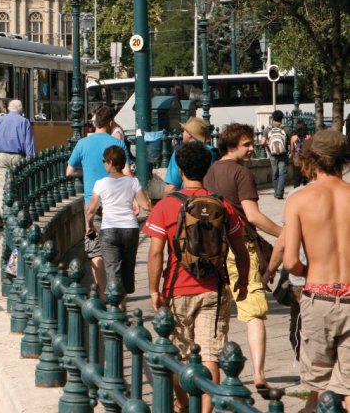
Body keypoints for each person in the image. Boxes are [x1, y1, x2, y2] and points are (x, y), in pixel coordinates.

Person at [145, 141, 250, 413]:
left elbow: (156, 253)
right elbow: (240, 249)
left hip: (176, 290)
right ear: (207, 170)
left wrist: (154, 290)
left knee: (179, 355)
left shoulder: (166, 206)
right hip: (213, 290)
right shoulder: (221, 204)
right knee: (212, 355)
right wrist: (243, 280)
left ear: (180, 171)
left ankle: (182, 405)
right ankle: (205, 411)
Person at [204, 123, 282, 392]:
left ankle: (217, 374)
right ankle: (259, 374)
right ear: (230, 146)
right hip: (240, 248)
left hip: (213, 249)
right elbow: (253, 217)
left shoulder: (209, 171)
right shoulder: (241, 173)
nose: (252, 149)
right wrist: (284, 233)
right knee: (254, 312)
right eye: (246, 144)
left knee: (219, 314)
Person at [283, 130, 350, 411]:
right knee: (348, 388)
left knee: (318, 388)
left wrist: (311, 271)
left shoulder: (299, 199)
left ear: (311, 158)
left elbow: (290, 262)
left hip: (318, 295)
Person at [67, 105, 131, 293]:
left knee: (95, 249)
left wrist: (84, 170)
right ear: (111, 123)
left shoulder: (82, 143)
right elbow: (126, 172)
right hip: (116, 202)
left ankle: (102, 293)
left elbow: (69, 171)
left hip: (92, 203)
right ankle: (117, 291)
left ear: (95, 123)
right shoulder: (116, 144)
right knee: (115, 246)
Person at [85, 144, 150, 301]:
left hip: (109, 230)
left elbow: (91, 210)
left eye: (104, 161)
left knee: (113, 269)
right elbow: (146, 206)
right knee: (127, 268)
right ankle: (123, 301)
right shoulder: (132, 182)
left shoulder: (101, 183)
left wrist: (91, 225)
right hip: (130, 229)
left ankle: (118, 309)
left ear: (109, 162)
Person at [0, 99, 35, 213]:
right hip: (18, 158)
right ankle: (17, 214)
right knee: (17, 187)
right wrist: (30, 163)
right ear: (20, 109)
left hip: (1, 157)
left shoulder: (0, 121)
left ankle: (4, 217)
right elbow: (29, 145)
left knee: (2, 188)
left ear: (8, 109)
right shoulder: (25, 122)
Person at [164, 117, 218, 194]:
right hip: (209, 197)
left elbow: (171, 186)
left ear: (189, 134)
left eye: (184, 131)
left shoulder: (181, 152)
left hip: (187, 198)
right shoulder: (213, 152)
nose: (182, 133)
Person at [262, 110, 289, 199]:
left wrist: (269, 148)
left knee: (275, 173)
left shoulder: (268, 129)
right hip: (283, 153)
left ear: (273, 118)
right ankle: (279, 193)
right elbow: (291, 139)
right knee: (282, 173)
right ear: (282, 119)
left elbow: (262, 142)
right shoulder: (285, 128)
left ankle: (276, 191)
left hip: (272, 154)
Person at [290, 122, 310, 188]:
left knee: (296, 178)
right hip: (306, 160)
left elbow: (292, 150)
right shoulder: (308, 137)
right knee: (306, 178)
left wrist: (293, 156)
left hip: (297, 160)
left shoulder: (293, 138)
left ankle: (296, 192)